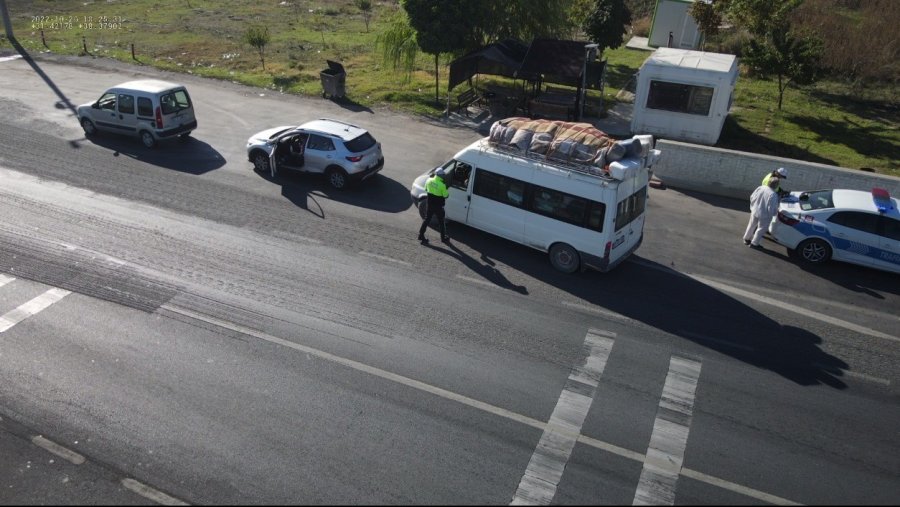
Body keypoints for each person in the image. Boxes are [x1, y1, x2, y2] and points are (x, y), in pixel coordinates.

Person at [743, 177, 781, 249]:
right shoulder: (773, 194)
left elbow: (752, 197)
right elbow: (771, 208)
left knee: (751, 225)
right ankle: (754, 243)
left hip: (755, 210)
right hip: (765, 215)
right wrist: (774, 214)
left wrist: (753, 206)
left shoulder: (760, 188)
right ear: (776, 185)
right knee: (761, 229)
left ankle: (746, 238)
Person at [418, 168, 450, 244]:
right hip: (438, 206)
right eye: (443, 175)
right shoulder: (442, 185)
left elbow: (426, 189)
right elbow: (446, 195)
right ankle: (443, 238)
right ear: (440, 175)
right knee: (441, 222)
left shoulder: (429, 180)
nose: (443, 176)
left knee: (427, 220)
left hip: (430, 204)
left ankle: (421, 235)